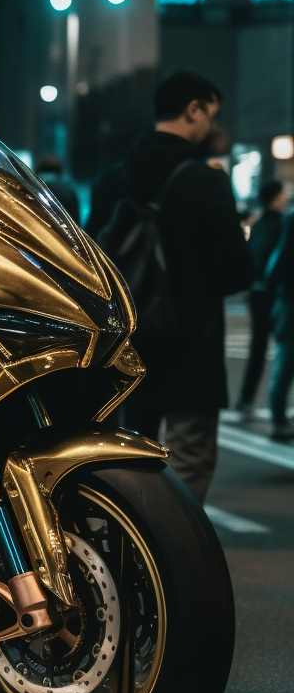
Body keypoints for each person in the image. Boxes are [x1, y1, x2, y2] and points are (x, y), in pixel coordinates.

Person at [115, 72, 253, 502]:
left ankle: (129, 560)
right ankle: (175, 563)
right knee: (188, 467)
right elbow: (237, 271)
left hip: (128, 352)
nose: (211, 124)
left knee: (126, 465)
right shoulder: (205, 181)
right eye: (211, 113)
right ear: (194, 109)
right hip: (191, 346)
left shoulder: (113, 179)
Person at [237, 179, 287, 416]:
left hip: (255, 292)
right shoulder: (282, 224)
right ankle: (278, 405)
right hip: (275, 294)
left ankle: (245, 399)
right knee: (286, 348)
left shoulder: (257, 225)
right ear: (276, 197)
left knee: (257, 347)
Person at [265, 208, 294, 439]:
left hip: (287, 300)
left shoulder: (290, 218)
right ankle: (278, 420)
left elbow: (276, 265)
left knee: (285, 361)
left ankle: (278, 419)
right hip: (289, 303)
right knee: (285, 361)